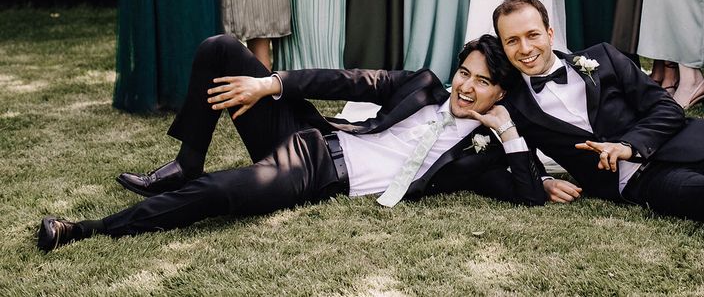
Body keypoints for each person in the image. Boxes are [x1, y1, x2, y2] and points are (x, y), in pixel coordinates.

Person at [37, 34, 547, 251]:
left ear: (500, 92)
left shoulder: (479, 151)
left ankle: (83, 230)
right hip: (316, 136)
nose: (464, 86)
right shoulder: (421, 85)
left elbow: (525, 192)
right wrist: (270, 83)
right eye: (464, 72)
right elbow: (345, 81)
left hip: (319, 173)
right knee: (221, 49)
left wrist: (504, 130)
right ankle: (187, 160)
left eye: (481, 82)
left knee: (222, 194)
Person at [494, 0, 704, 248]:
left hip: (687, 141)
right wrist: (544, 181)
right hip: (642, 180)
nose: (525, 48)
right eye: (512, 40)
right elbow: (527, 176)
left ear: (550, 34)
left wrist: (629, 146)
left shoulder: (603, 56)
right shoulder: (515, 108)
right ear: (504, 47)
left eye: (532, 35)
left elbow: (667, 108)